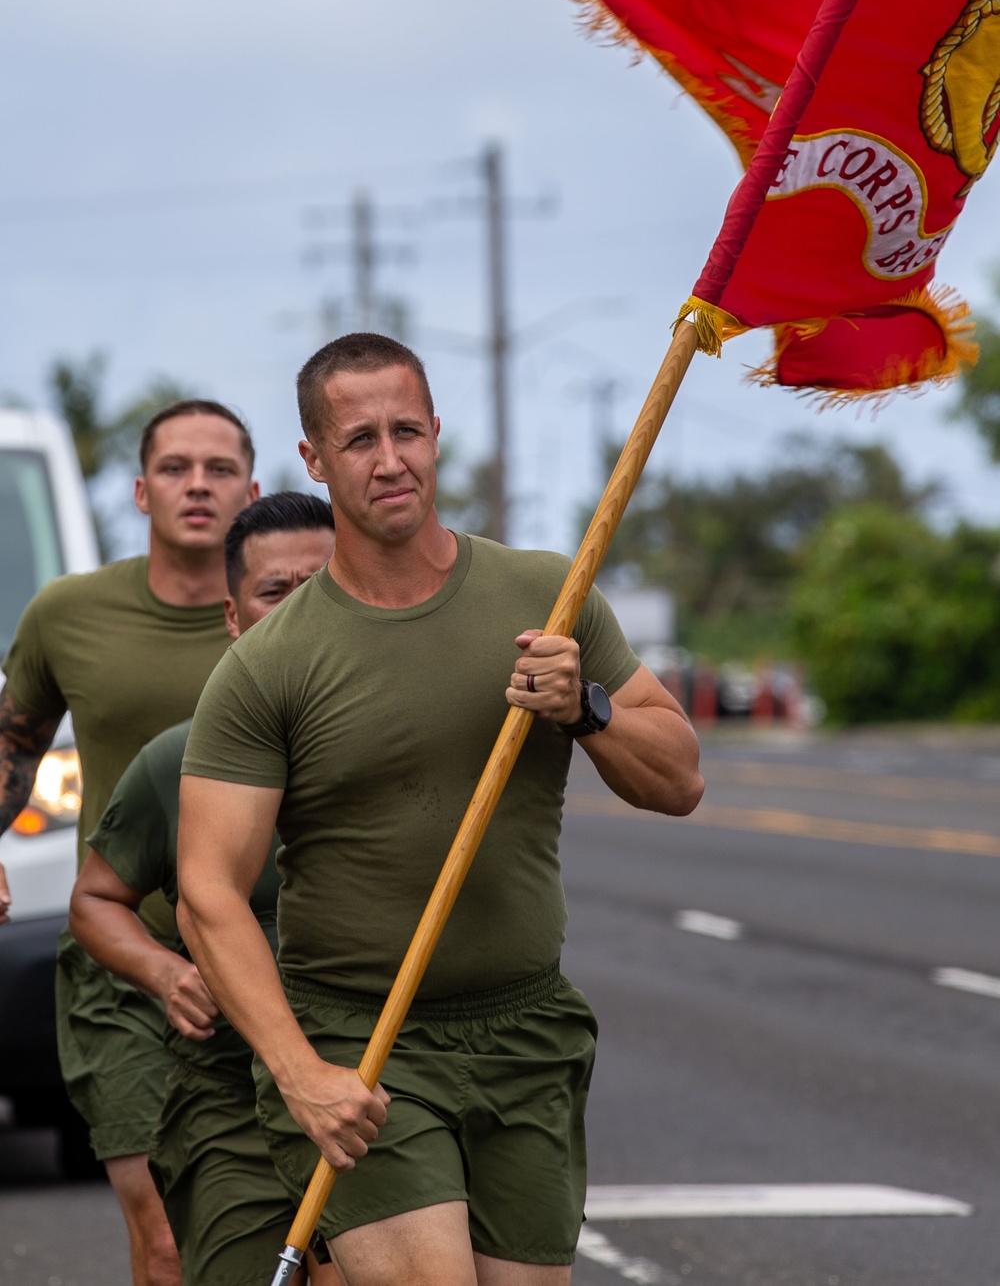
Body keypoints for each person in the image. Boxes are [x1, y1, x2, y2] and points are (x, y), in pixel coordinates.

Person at [177, 333, 704, 1286]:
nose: (389, 461)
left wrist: (587, 707)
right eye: (360, 439)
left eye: (407, 431)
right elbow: (206, 892)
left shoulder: (551, 593)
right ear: (314, 460)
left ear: (436, 435)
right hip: (363, 1046)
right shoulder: (269, 664)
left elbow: (678, 781)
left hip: (527, 1030)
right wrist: (301, 1074)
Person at [0, 399, 259, 1286]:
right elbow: (15, 739)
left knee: (284, 1235)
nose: (198, 485)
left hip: (282, 962)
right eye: (176, 468)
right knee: (164, 1237)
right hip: (123, 966)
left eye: (219, 469)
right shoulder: (69, 614)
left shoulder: (300, 611)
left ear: (253, 490)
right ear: (141, 492)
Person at [68, 491, 340, 1286]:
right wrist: (167, 972)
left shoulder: (406, 748)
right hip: (234, 1097)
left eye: (323, 587)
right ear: (233, 615)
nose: (300, 613)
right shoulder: (177, 762)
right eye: (274, 593)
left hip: (385, 1084)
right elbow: (95, 900)